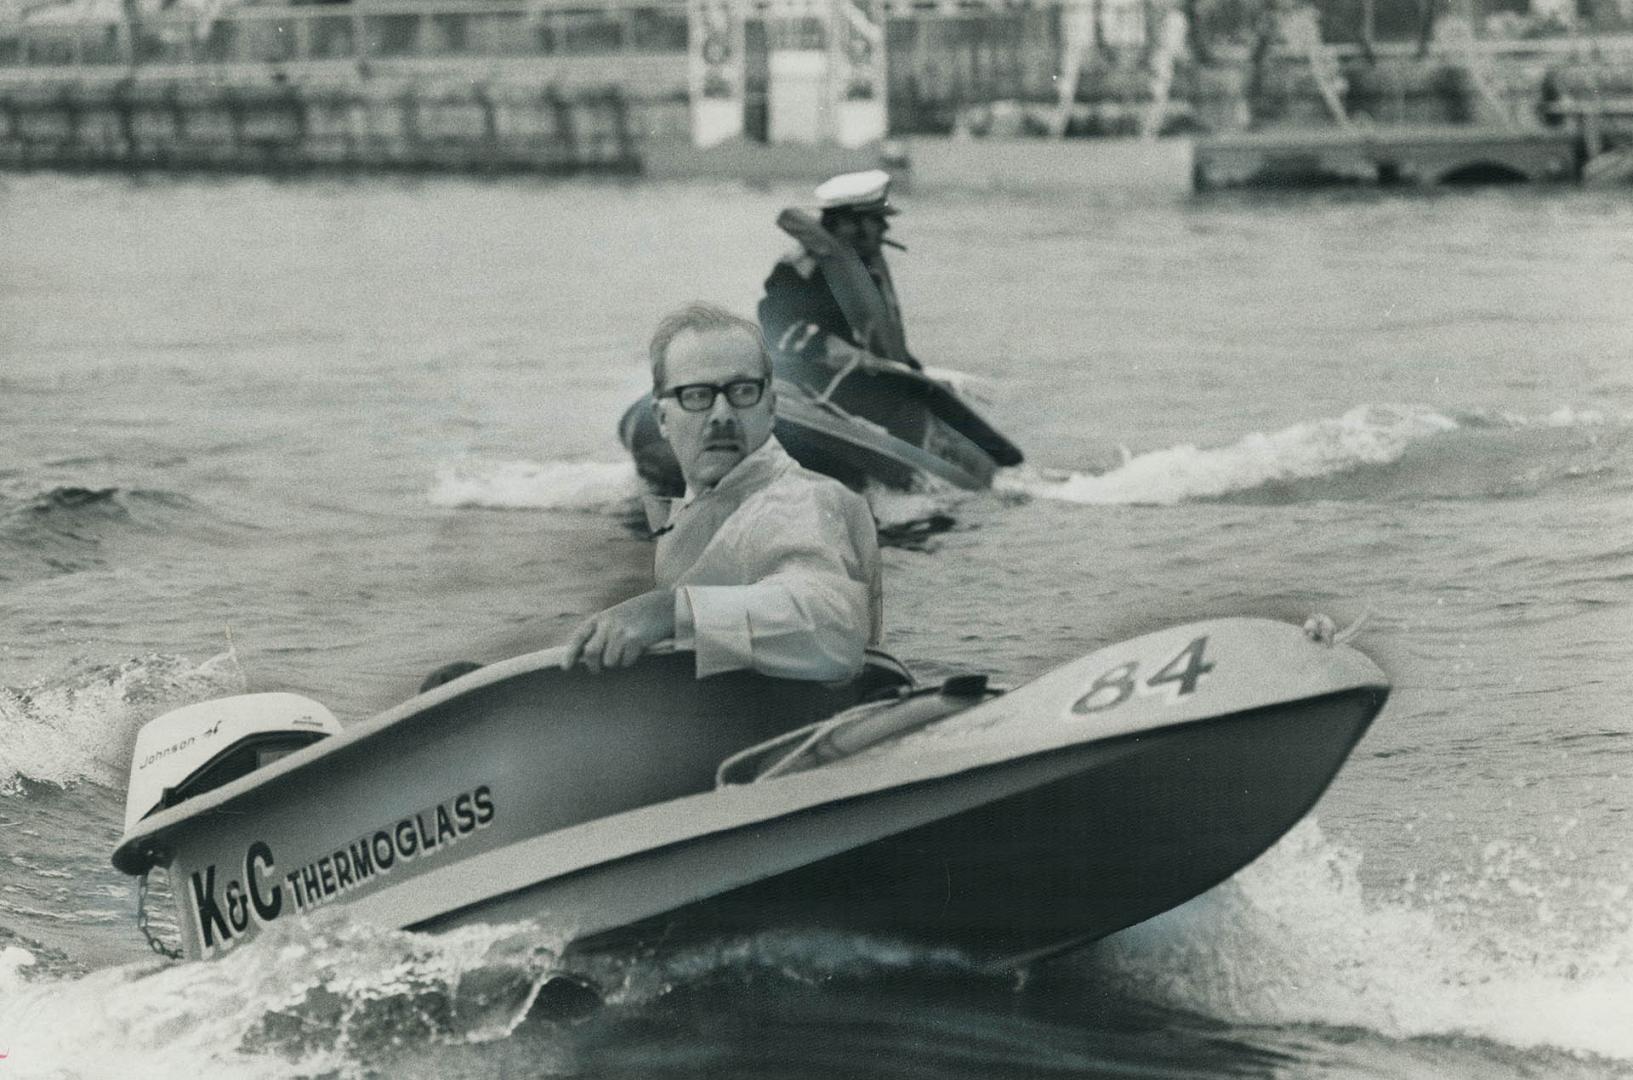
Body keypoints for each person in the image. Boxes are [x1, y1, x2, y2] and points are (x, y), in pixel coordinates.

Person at [562, 303, 883, 682]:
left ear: (771, 407)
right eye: (696, 396)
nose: (721, 414)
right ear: (662, 418)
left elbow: (832, 626)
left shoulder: (797, 502)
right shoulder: (702, 508)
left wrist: (672, 611)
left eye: (742, 391)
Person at [757, 169, 922, 372]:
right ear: (846, 223)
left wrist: (912, 368)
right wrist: (826, 345)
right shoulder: (800, 269)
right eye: (877, 219)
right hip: (824, 386)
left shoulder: (867, 268)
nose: (885, 227)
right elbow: (777, 327)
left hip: (876, 382)